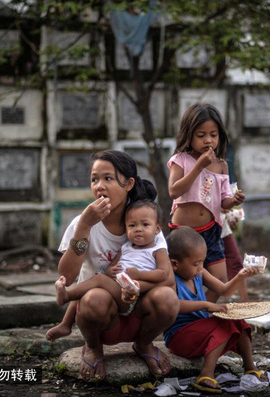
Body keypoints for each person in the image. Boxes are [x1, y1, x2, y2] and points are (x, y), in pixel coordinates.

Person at [51, 150, 179, 381]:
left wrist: (135, 285)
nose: (99, 186)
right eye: (94, 179)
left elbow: (168, 278)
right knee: (94, 297)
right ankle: (93, 347)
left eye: (108, 178)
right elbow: (66, 276)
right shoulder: (83, 222)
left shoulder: (144, 220)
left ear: (128, 183)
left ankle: (143, 344)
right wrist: (85, 227)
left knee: (168, 297)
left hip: (140, 313)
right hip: (101, 318)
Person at [164, 226, 264, 394]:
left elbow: (224, 290)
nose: (200, 267)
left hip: (201, 330)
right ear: (174, 264)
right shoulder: (170, 279)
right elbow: (174, 304)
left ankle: (250, 367)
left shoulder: (199, 273)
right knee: (222, 326)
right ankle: (206, 374)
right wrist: (206, 305)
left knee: (237, 320)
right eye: (196, 263)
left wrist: (240, 276)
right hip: (179, 336)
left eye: (203, 261)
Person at [168, 103, 246, 301]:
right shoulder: (181, 159)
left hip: (210, 231)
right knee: (183, 279)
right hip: (183, 232)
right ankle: (185, 316)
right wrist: (199, 166)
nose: (208, 140)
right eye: (201, 135)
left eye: (213, 134)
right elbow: (173, 190)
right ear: (189, 135)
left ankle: (201, 313)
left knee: (220, 281)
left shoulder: (221, 165)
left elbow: (223, 202)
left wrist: (234, 200)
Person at [54, 200, 170, 317]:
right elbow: (111, 267)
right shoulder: (126, 247)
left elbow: (163, 274)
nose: (138, 229)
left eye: (145, 224)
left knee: (99, 279)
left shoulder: (158, 250)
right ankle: (66, 321)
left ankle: (67, 296)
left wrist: (139, 275)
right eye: (132, 225)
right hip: (116, 288)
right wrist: (111, 271)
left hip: (136, 294)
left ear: (157, 229)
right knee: (95, 280)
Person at [221, 209, 248, 301]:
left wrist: (229, 214)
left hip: (223, 231)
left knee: (237, 264)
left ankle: (246, 303)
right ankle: (204, 307)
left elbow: (225, 202)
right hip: (206, 231)